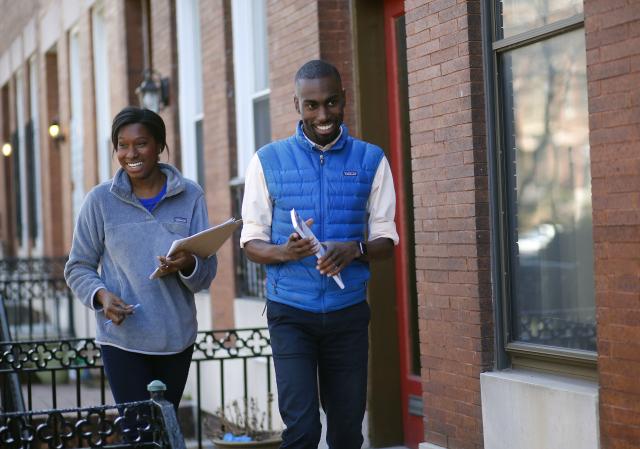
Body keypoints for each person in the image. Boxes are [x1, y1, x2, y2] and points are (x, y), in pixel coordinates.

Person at [241, 60, 398, 449]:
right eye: (312, 105)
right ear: (297, 105)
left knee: (346, 432)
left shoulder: (371, 160)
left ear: (344, 100)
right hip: (290, 313)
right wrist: (283, 251)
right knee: (303, 431)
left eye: (331, 103)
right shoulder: (267, 160)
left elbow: (387, 239)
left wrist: (355, 249)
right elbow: (250, 240)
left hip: (347, 314)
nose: (323, 114)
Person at [64, 106, 217, 410]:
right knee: (139, 434)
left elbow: (206, 273)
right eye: (122, 145)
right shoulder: (100, 200)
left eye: (141, 143)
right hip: (122, 338)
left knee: (165, 430)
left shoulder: (191, 195)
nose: (130, 153)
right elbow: (78, 266)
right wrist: (102, 296)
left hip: (176, 338)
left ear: (159, 146)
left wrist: (186, 264)